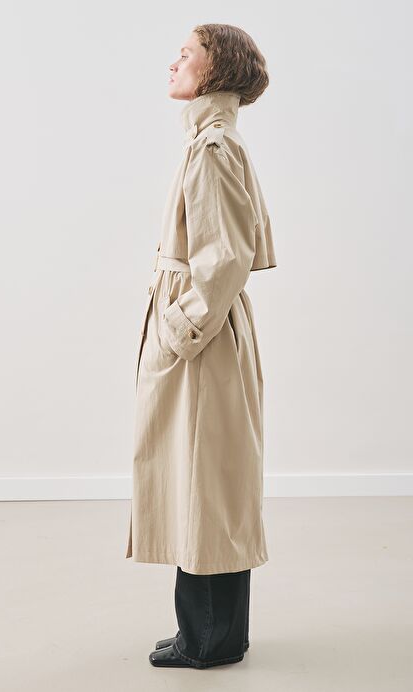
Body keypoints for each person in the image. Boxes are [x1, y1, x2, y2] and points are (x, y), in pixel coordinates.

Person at [124, 23, 277, 668]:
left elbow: (225, 258)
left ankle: (205, 640)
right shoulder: (211, 140)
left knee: (204, 481)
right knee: (211, 479)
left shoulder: (211, 147)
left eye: (186, 54)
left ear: (213, 71)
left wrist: (179, 329)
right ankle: (219, 634)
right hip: (207, 333)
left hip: (201, 338)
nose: (173, 62)